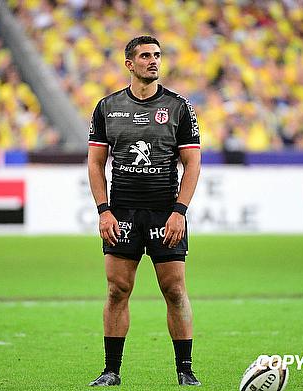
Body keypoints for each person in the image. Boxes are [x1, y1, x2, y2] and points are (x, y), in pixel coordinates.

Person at [87, 36, 202, 387]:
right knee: (116, 291)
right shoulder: (107, 107)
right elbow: (95, 163)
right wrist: (104, 211)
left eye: (157, 55)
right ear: (129, 64)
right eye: (145, 56)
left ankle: (185, 370)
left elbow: (192, 163)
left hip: (164, 213)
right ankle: (111, 371)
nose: (153, 61)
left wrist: (179, 211)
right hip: (122, 214)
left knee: (175, 290)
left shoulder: (179, 107)